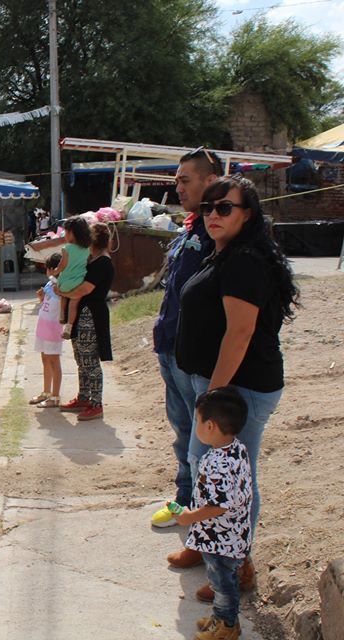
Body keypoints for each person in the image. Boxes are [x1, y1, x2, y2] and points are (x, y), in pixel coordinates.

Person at [169, 175, 298, 603]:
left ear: (248, 214)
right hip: (218, 386)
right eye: (208, 208)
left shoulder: (244, 261)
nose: (213, 215)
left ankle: (236, 566)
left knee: (234, 483)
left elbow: (239, 334)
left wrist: (213, 397)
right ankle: (204, 546)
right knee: (205, 471)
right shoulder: (223, 254)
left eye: (225, 207)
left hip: (239, 390)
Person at [150, 148, 222, 529]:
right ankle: (185, 499)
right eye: (176, 180)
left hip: (193, 354)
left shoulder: (219, 230)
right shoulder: (193, 226)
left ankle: (202, 509)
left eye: (184, 180)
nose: (178, 187)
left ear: (210, 181)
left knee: (201, 437)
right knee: (182, 430)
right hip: (169, 345)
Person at [171, 388, 251, 640]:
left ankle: (227, 626)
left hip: (220, 540)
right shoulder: (237, 449)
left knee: (222, 584)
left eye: (197, 420)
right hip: (234, 534)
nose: (195, 425)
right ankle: (220, 617)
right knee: (222, 582)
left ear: (210, 426)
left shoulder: (219, 463)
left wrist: (187, 517)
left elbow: (218, 506)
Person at [56, 222, 114, 421]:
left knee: (90, 361)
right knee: (81, 359)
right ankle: (83, 397)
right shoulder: (91, 259)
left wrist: (62, 291)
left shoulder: (103, 262)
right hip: (82, 314)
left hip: (91, 315)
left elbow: (84, 289)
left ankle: (96, 404)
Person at [30, 252, 65, 408]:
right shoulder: (50, 284)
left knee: (54, 360)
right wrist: (41, 298)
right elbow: (47, 302)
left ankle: (55, 396)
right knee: (45, 359)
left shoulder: (61, 285)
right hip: (43, 326)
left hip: (53, 327)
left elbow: (62, 301)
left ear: (53, 269)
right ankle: (46, 392)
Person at [56, 216, 92, 340]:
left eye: (65, 232)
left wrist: (55, 271)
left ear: (71, 233)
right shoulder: (87, 249)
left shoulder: (67, 248)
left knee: (63, 296)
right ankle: (69, 327)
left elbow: (62, 265)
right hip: (78, 282)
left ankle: (61, 314)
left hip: (64, 282)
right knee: (73, 305)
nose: (64, 235)